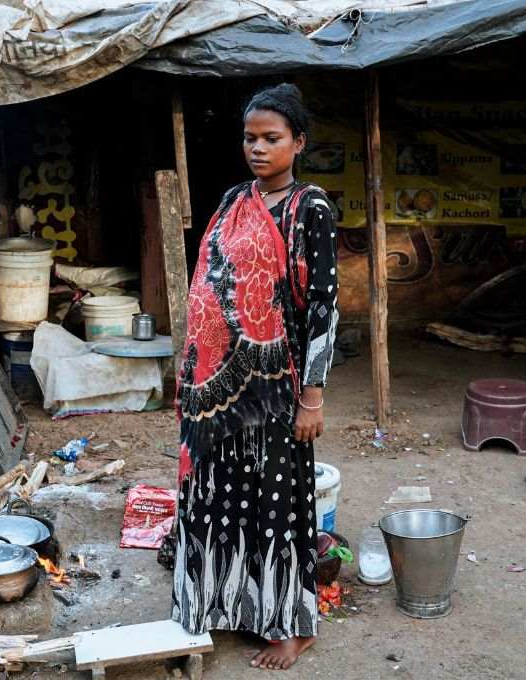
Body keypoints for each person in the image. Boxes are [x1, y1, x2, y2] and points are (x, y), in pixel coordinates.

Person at [171, 83, 339, 671]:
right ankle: (224, 607)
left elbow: (321, 306)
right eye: (250, 138)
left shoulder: (309, 209)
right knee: (216, 498)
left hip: (275, 388)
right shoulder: (232, 201)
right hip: (215, 390)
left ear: (298, 143)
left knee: (275, 505)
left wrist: (311, 397)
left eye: (272, 138)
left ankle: (291, 624)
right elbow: (209, 285)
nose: (258, 149)